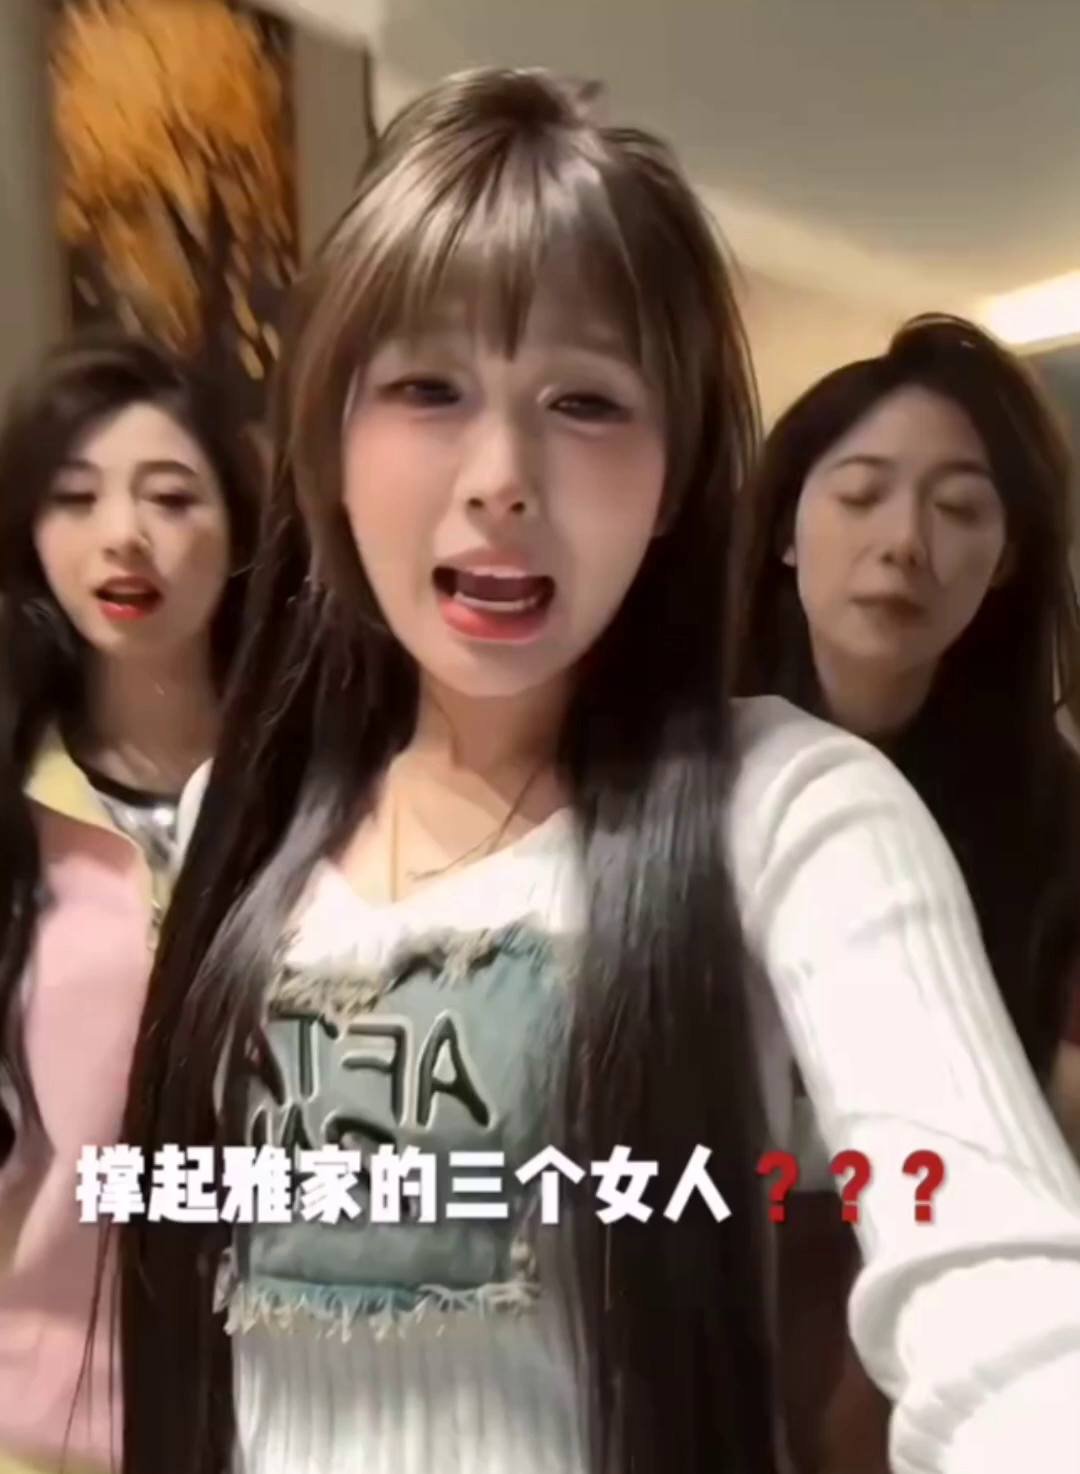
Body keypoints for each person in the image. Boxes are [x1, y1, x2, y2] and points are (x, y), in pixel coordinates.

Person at [117, 69, 1080, 1474]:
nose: (503, 475)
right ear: (329, 443)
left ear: (677, 474)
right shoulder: (236, 822)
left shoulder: (793, 813)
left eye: (585, 401)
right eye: (429, 389)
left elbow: (1002, 1288)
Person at [732, 318, 1080, 1472]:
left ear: (1010, 555)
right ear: (785, 532)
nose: (905, 544)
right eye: (860, 495)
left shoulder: (1054, 814)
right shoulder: (677, 771)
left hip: (924, 1329)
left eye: (962, 508)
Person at [0, 331, 259, 1473]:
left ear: (240, 528)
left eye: (171, 496)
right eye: (75, 497)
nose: (123, 535)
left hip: (299, 1407)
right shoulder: (14, 810)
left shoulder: (321, 795)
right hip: (42, 1429)